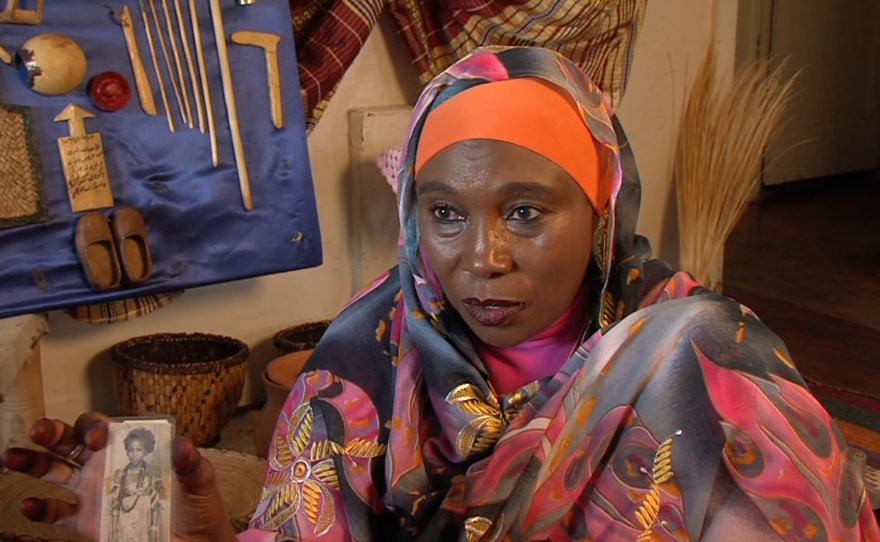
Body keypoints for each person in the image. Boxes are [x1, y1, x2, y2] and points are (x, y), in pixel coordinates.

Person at [2, 46, 878, 541]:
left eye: (526, 211)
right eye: (445, 213)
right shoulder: (365, 359)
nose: (480, 259)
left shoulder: (701, 359)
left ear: (601, 213)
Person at [109, 428, 166, 542]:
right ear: (126, 451)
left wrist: (154, 528)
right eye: (131, 450)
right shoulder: (121, 475)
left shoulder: (151, 473)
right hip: (125, 522)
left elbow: (155, 503)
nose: (134, 454)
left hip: (144, 520)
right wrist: (114, 530)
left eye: (139, 450)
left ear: (146, 451)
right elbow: (116, 503)